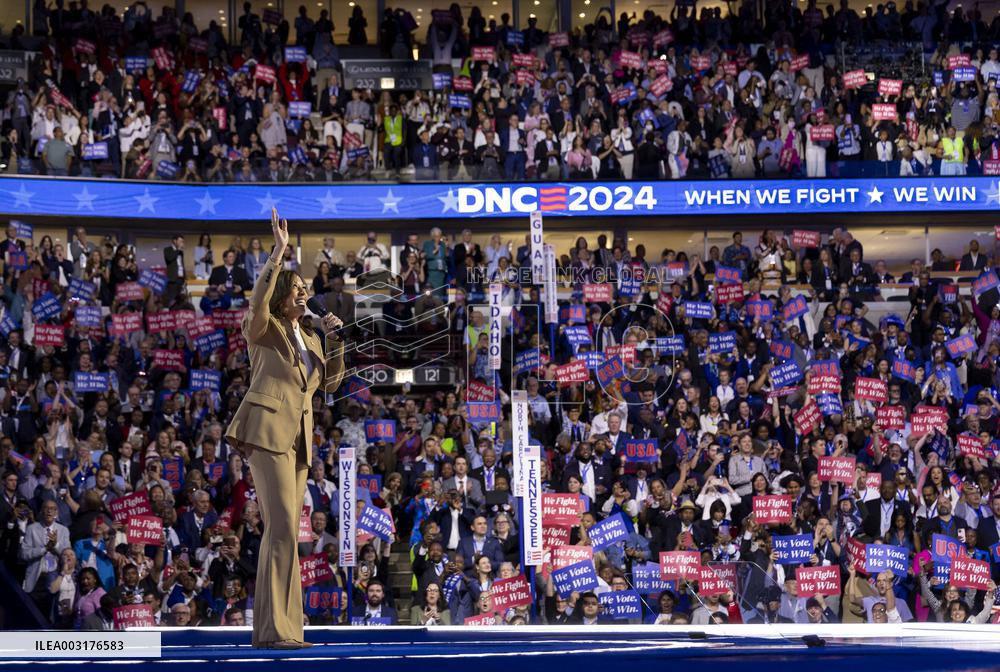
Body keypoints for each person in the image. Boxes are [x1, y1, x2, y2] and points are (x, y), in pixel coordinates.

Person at [224, 209, 345, 649]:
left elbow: (330, 383)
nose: (302, 293)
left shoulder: (311, 338)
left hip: (298, 439)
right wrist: (277, 253)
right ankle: (275, 629)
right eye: (295, 289)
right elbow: (256, 304)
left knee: (289, 533)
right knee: (281, 530)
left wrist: (336, 340)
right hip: (267, 430)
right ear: (281, 295)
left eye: (304, 288)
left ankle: (282, 628)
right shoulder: (265, 327)